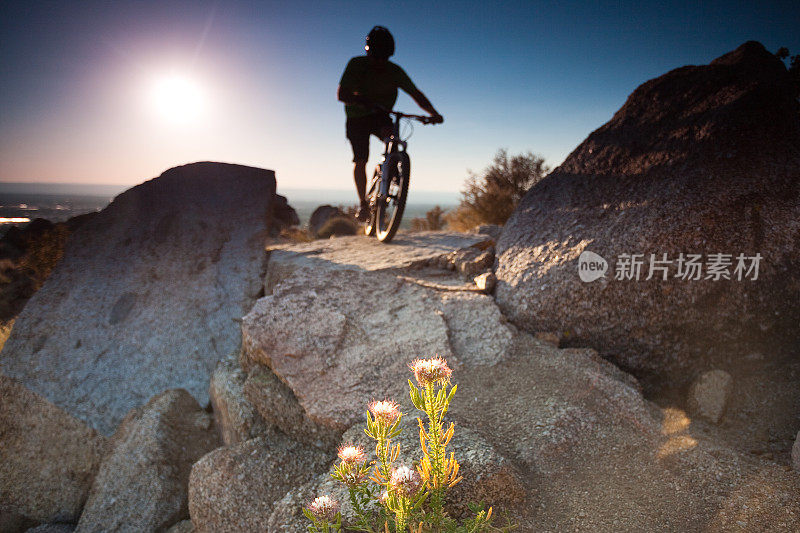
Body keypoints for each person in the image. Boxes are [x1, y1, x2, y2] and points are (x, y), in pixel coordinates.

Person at [337, 26, 443, 222]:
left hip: (381, 115)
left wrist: (434, 114)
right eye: (376, 57)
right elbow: (342, 94)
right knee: (361, 160)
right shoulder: (356, 64)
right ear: (369, 52)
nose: (379, 62)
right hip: (357, 117)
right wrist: (361, 101)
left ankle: (391, 167)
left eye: (383, 57)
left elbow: (415, 94)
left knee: (392, 139)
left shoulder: (395, 71)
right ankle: (363, 203)